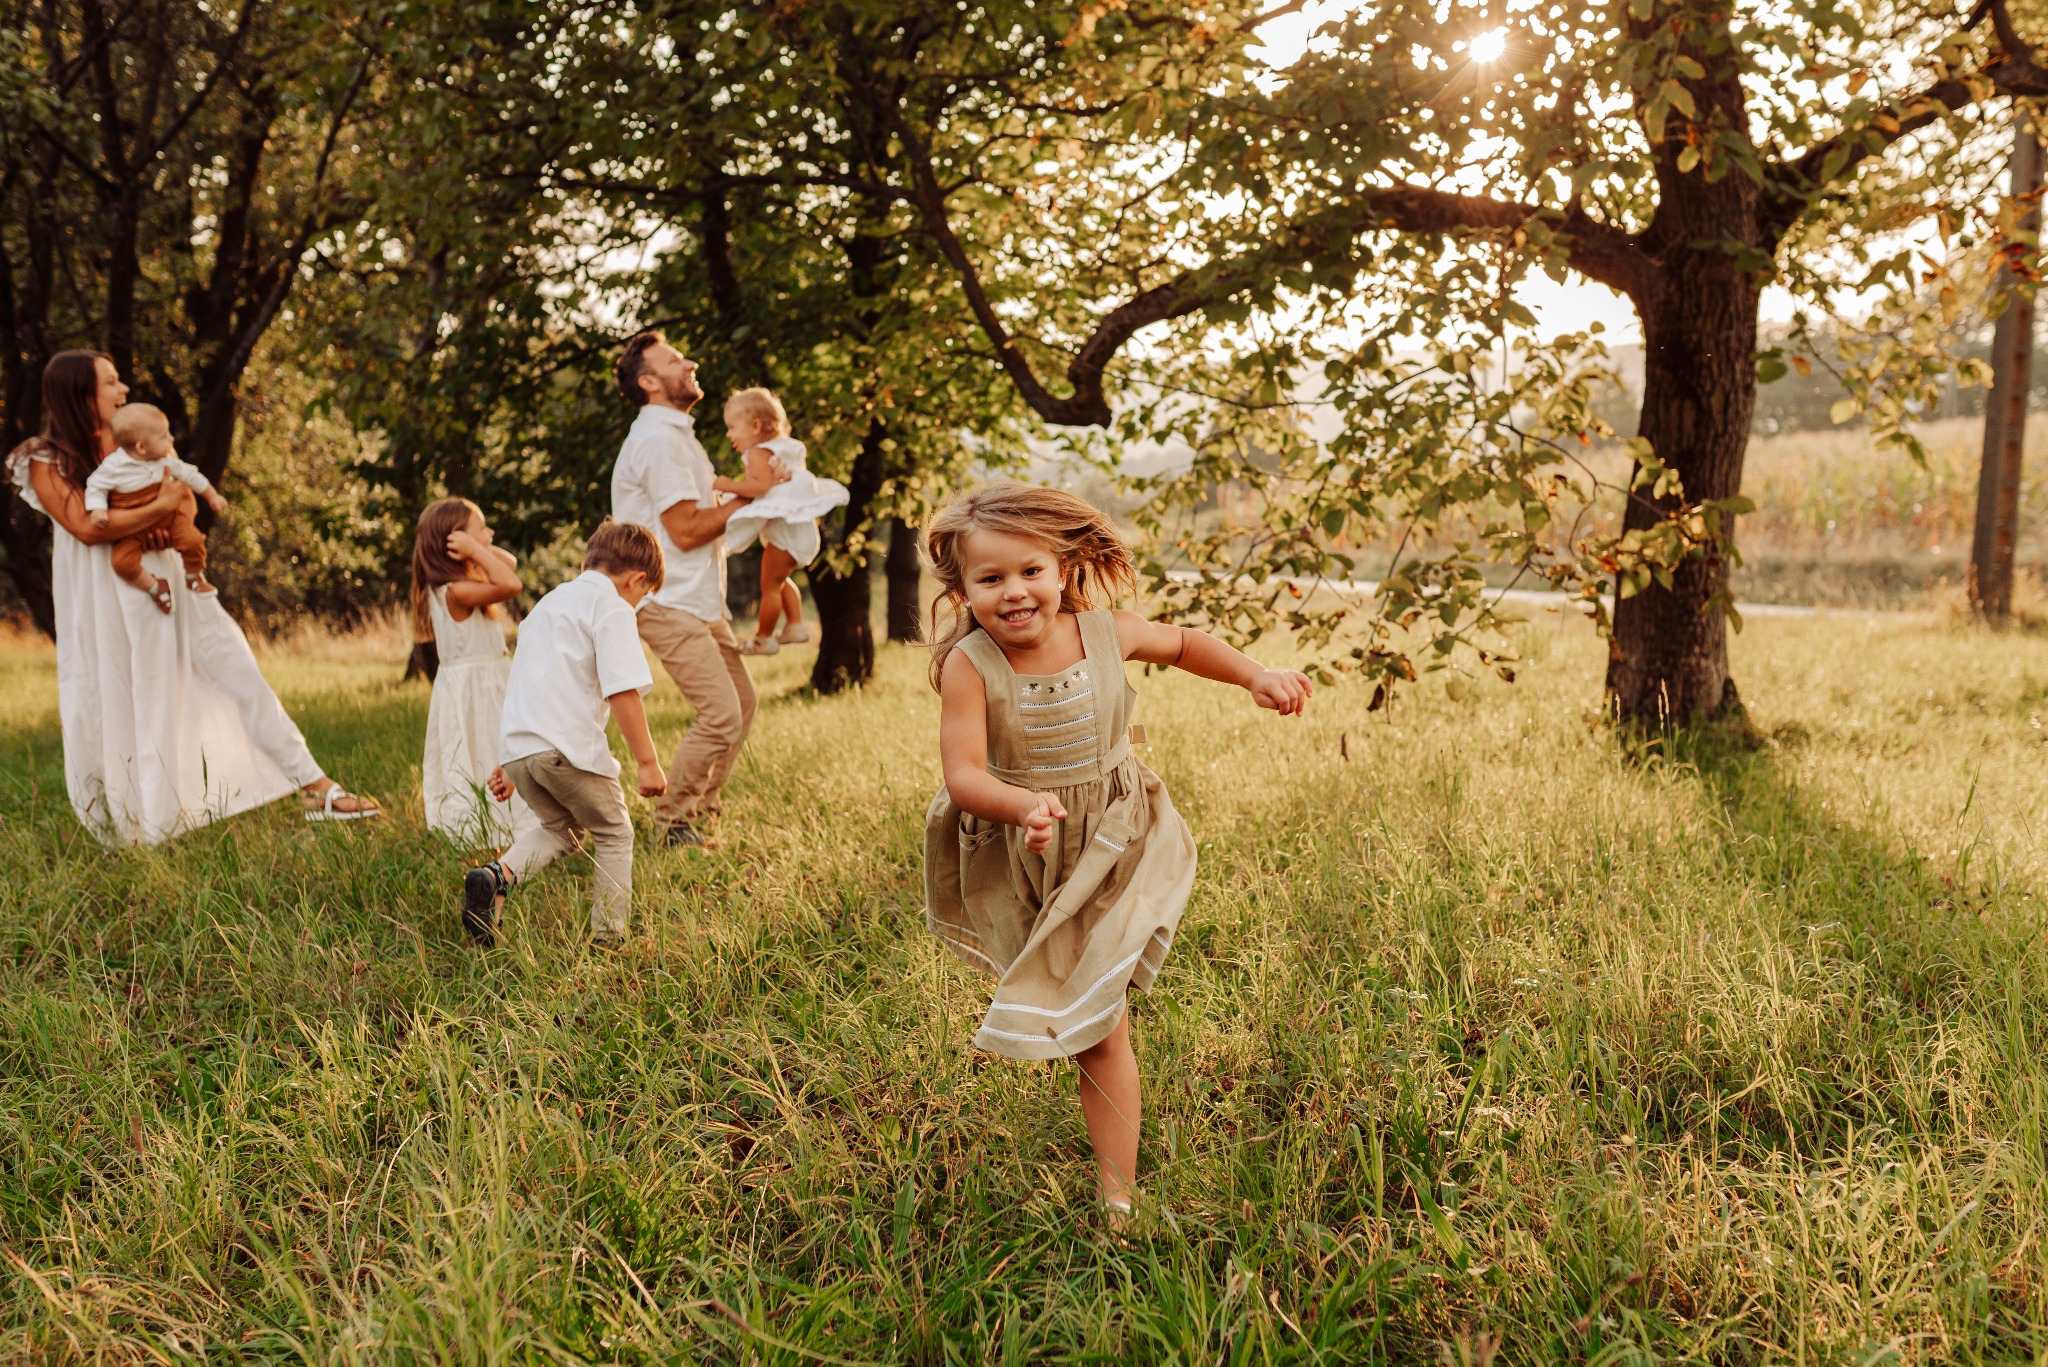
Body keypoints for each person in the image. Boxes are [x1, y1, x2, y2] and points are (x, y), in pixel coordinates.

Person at [920, 480, 1312, 1219]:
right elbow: (964, 774)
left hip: (1121, 838)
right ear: (963, 588)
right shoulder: (969, 666)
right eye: (990, 578)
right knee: (1093, 1026)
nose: (1015, 592)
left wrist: (1256, 675)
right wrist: (1024, 806)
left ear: (1063, 566)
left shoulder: (1106, 630)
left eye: (1030, 570)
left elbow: (1186, 644)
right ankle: (1115, 1174)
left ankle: (1118, 1201)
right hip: (1028, 854)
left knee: (1102, 1030)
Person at [3, 351, 379, 843]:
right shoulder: (45, 459)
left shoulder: (140, 440)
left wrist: (162, 519)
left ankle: (313, 783)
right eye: (110, 383)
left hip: (172, 575)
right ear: (79, 395)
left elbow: (182, 496)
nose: (123, 391)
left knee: (237, 667)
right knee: (132, 693)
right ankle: (147, 821)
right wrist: (155, 508)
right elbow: (86, 528)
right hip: (108, 597)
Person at [608, 331, 788, 849]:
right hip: (666, 601)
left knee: (743, 704)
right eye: (672, 361)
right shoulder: (659, 441)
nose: (688, 363)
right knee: (721, 712)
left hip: (699, 599)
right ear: (649, 381)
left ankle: (702, 811)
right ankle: (672, 823)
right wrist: (748, 498)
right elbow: (686, 528)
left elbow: (710, 526)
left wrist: (777, 501)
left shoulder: (680, 437)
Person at [463, 521, 668, 949]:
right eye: (641, 596)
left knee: (563, 829)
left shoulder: (546, 608)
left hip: (522, 746)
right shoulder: (612, 607)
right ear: (637, 580)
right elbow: (623, 690)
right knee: (614, 832)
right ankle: (609, 937)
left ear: (584, 564)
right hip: (567, 749)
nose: (636, 603)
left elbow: (525, 684)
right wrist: (647, 762)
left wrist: (508, 758)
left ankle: (495, 876)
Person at [411, 496, 537, 845]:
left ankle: (509, 823)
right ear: (455, 541)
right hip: (475, 687)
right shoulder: (455, 591)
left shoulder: (460, 582)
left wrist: (475, 546)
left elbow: (507, 562)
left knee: (496, 749)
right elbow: (512, 584)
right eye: (483, 528)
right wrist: (473, 549)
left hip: (483, 681)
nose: (490, 533)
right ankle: (484, 829)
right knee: (481, 752)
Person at [714, 386, 848, 655]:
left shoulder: (759, 453)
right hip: (801, 532)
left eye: (732, 427)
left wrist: (727, 484)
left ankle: (764, 638)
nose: (729, 434)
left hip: (786, 536)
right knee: (780, 581)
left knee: (769, 587)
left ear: (755, 426)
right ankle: (795, 625)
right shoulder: (786, 449)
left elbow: (759, 487)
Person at [86, 402, 226, 612]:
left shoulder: (166, 460)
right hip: (134, 528)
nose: (171, 439)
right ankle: (154, 586)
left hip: (169, 520)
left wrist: (212, 495)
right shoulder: (113, 467)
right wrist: (97, 509)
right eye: (164, 436)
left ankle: (193, 576)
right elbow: (95, 486)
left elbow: (191, 475)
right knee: (122, 562)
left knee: (193, 540)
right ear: (141, 447)